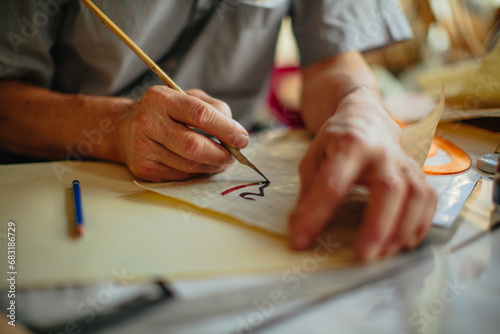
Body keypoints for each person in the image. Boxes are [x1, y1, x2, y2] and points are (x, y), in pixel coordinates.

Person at [0, 0, 437, 262]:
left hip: (230, 175)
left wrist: (361, 105)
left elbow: (333, 62)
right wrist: (113, 128)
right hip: (64, 185)